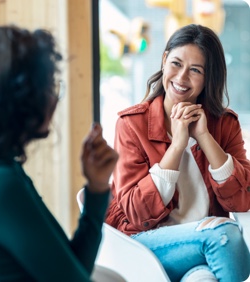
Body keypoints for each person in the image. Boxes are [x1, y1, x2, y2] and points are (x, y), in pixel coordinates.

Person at [0, 25, 119, 281]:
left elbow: (74, 267)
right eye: (50, 87)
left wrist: (97, 187)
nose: (54, 98)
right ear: (22, 99)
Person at [105, 23, 250, 282]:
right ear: (163, 60)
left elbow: (243, 200)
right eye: (176, 63)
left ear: (208, 78)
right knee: (226, 237)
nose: (182, 78)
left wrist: (204, 137)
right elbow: (137, 214)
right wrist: (177, 146)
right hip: (146, 245)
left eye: (195, 70)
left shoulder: (224, 124)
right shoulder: (131, 125)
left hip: (203, 248)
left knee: (202, 279)